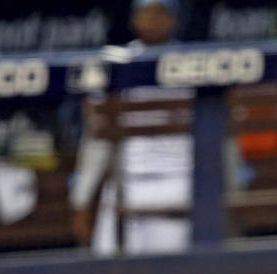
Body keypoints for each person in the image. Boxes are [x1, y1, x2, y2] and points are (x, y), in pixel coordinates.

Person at [71, 0, 212, 255]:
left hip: (180, 180)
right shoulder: (113, 66)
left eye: (162, 13)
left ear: (174, 20)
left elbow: (212, 135)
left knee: (175, 271)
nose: (154, 20)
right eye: (147, 13)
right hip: (129, 179)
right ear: (134, 19)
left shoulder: (194, 64)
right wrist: (82, 200)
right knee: (111, 269)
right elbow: (96, 142)